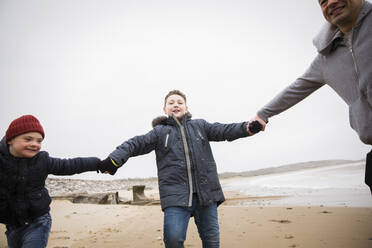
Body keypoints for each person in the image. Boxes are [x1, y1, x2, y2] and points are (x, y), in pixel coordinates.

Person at [100, 90, 262, 248]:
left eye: (180, 102)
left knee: (212, 241)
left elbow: (225, 130)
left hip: (206, 194)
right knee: (173, 239)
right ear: (165, 109)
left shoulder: (200, 126)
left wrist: (247, 128)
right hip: (175, 195)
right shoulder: (159, 132)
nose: (175, 105)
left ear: (186, 107)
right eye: (171, 103)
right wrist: (114, 159)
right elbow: (135, 144)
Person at [251, 0, 372, 193]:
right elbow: (296, 88)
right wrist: (263, 113)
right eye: (323, 1)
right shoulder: (326, 57)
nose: (331, 2)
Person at [0, 115, 112, 248]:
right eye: (28, 139)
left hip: (38, 221)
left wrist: (98, 164)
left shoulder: (42, 160)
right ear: (10, 140)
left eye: (39, 141)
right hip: (12, 225)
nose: (35, 144)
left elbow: (70, 165)